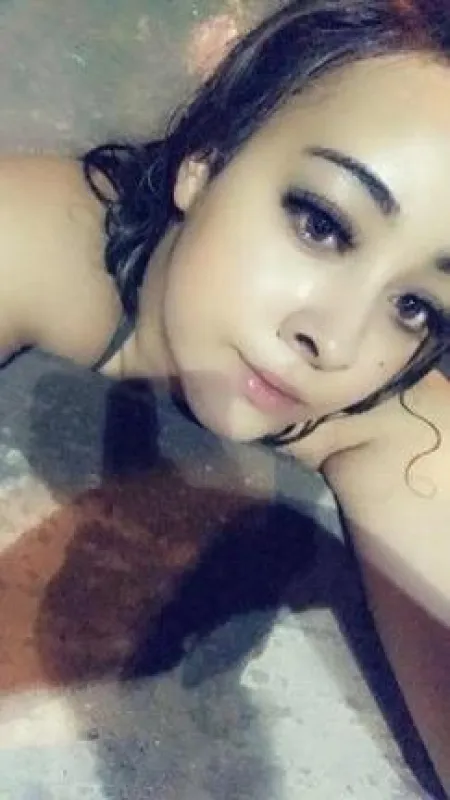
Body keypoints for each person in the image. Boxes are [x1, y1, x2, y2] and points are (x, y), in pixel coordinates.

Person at [1, 0, 449, 790]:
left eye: (415, 307)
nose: (336, 342)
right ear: (206, 157)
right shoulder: (31, 233)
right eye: (321, 224)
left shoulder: (395, 418)